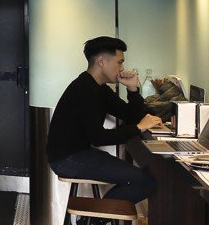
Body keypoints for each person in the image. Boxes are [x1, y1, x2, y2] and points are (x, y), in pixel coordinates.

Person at [47, 35, 162, 204]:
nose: (122, 68)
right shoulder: (84, 89)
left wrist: (132, 89)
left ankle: (93, 221)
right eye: (119, 62)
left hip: (80, 153)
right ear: (102, 61)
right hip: (66, 159)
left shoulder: (99, 88)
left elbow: (130, 114)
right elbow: (99, 138)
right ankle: (92, 222)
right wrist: (138, 128)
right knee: (145, 182)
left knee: (143, 179)